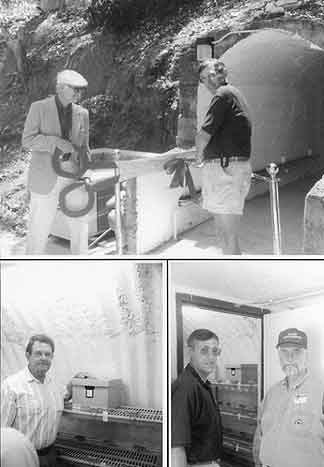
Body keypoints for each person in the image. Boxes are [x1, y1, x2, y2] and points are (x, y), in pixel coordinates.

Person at [22, 69, 90, 255]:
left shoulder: (82, 113)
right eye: (74, 89)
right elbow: (27, 140)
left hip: (73, 175)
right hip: (45, 175)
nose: (79, 94)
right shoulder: (39, 107)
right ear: (60, 88)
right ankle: (31, 269)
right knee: (39, 227)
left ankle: (82, 266)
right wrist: (56, 142)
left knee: (80, 224)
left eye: (81, 90)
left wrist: (86, 169)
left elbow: (85, 147)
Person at [196, 58, 252, 255]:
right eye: (204, 78)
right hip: (232, 170)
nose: (209, 81)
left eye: (212, 75)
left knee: (227, 237)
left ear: (222, 74)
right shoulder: (234, 94)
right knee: (226, 236)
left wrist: (197, 158)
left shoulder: (222, 95)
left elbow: (203, 136)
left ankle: (234, 278)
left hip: (225, 172)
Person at [253, 327, 324, 467]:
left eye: (296, 352)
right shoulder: (271, 393)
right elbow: (259, 433)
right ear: (278, 356)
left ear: (306, 355)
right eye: (284, 352)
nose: (289, 358)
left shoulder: (321, 392)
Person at [1, 334, 74, 467]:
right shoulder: (11, 387)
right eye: (38, 353)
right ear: (28, 356)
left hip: (50, 455)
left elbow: (67, 395)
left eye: (48, 354)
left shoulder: (56, 386)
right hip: (22, 459)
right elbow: (2, 432)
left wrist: (81, 380)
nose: (43, 358)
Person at [171, 329, 223, 467]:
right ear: (190, 352)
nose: (211, 357)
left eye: (215, 351)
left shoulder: (203, 385)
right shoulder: (186, 388)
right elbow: (176, 448)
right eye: (204, 351)